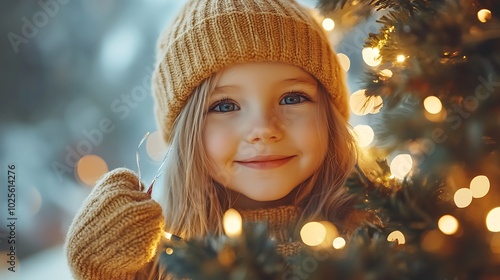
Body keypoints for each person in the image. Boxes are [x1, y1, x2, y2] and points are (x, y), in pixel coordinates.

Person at [64, 0, 367, 279]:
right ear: (187, 134)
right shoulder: (162, 263)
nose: (263, 129)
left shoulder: (385, 235)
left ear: (329, 115)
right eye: (224, 106)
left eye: (292, 98)